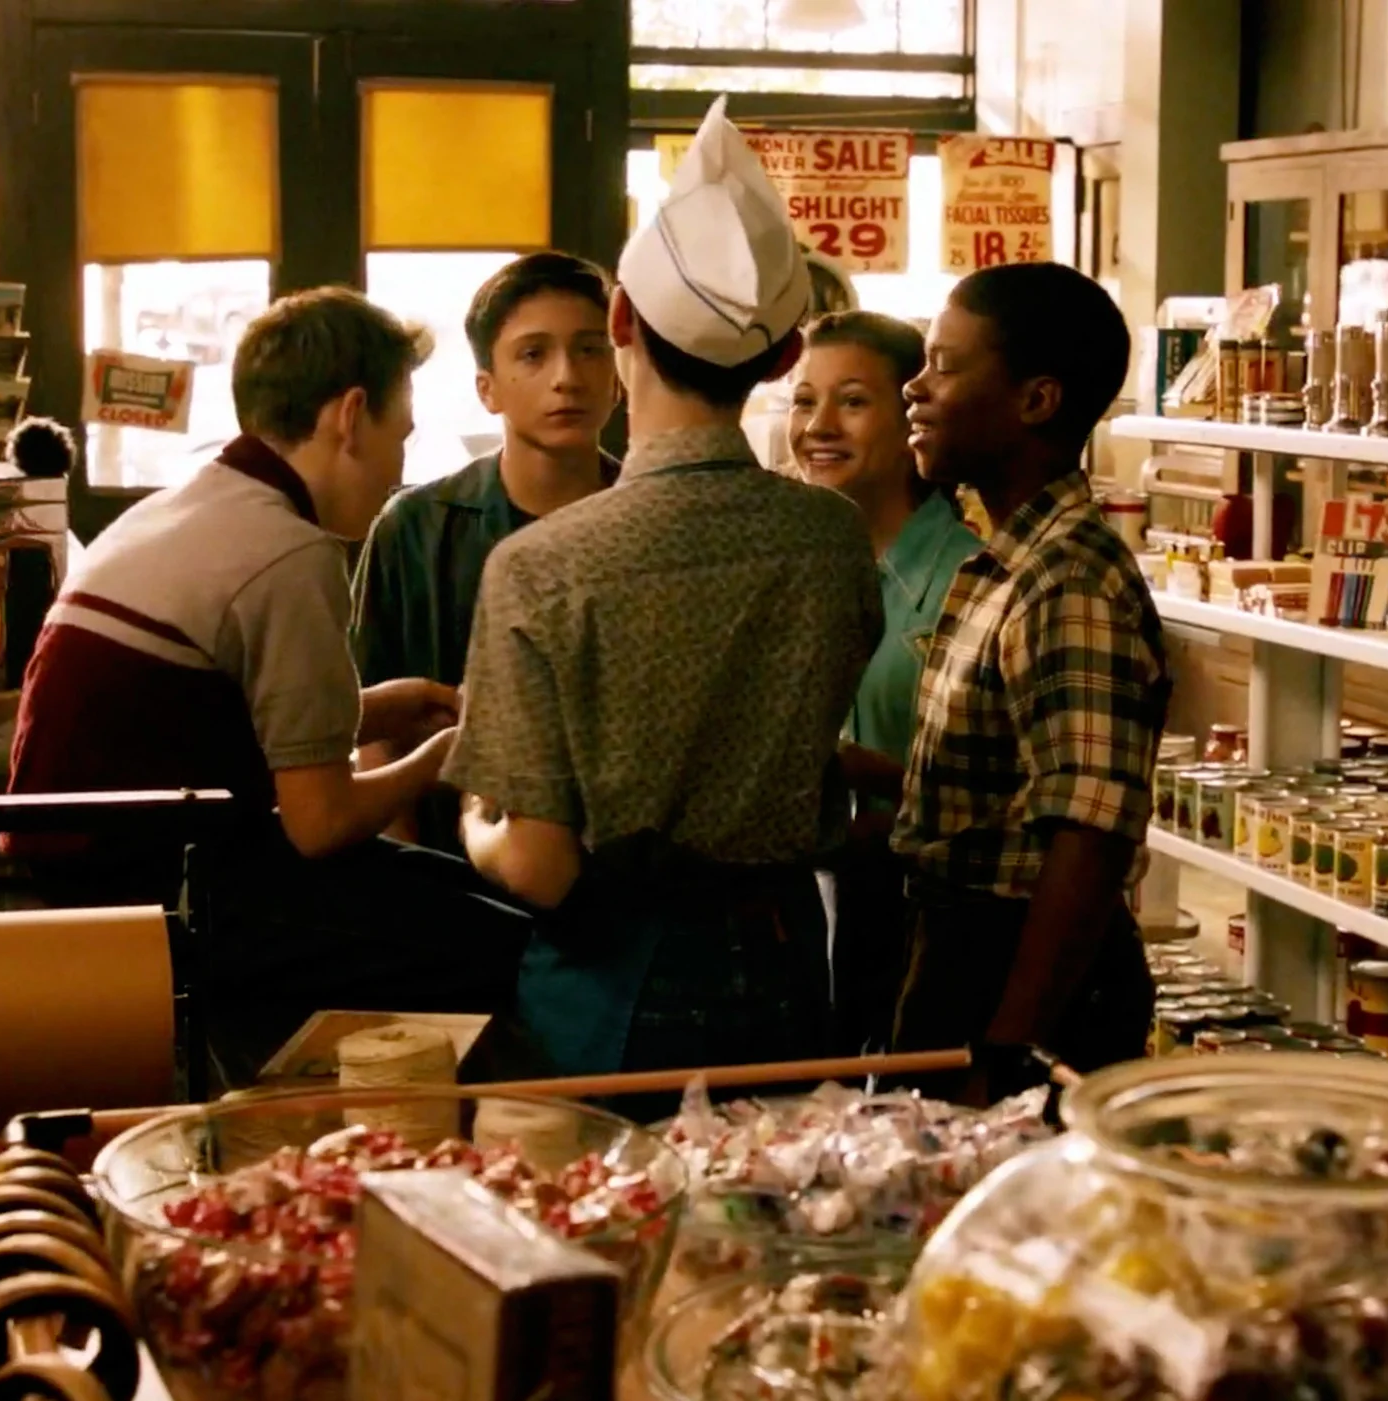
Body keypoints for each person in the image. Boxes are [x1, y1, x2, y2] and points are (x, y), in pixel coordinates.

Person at [445, 97, 883, 1081]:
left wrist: (477, 820)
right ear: (784, 357)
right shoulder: (830, 536)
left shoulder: (541, 566)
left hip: (613, 981)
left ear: (618, 322)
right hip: (788, 962)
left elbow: (541, 867)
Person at [6, 287, 530, 1081]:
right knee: (507, 940)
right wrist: (445, 755)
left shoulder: (195, 502)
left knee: (469, 896)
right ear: (350, 416)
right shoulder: (290, 550)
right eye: (401, 435)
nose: (400, 468)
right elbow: (320, 823)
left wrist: (380, 709)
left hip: (94, 863)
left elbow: (210, 716)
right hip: (164, 896)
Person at [887, 262, 1169, 1102]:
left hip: (1014, 980)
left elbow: (1089, 834)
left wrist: (1012, 1051)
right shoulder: (1009, 559)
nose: (915, 388)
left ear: (1037, 401)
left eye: (944, 365)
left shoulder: (1066, 581)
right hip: (961, 956)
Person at [351, 252, 621, 851]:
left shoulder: (654, 520)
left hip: (621, 867)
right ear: (487, 388)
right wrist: (410, 871)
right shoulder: (417, 526)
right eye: (533, 354)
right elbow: (376, 732)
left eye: (589, 349)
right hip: (449, 866)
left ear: (618, 374)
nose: (566, 377)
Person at [787, 310, 984, 1051]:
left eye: (853, 401)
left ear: (912, 421)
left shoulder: (967, 577)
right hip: (810, 912)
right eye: (804, 401)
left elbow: (1007, 798)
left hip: (935, 922)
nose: (819, 426)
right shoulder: (794, 566)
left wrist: (879, 783)